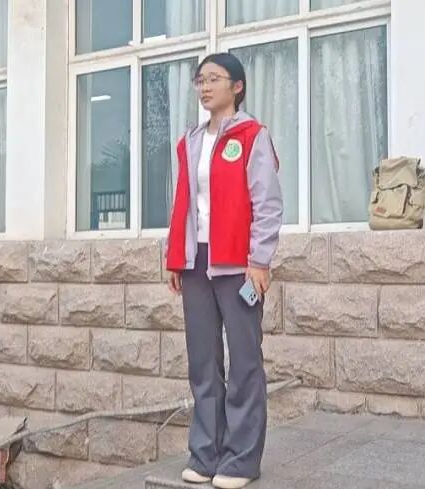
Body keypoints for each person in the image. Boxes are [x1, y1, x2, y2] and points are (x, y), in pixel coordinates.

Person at [166, 52, 283, 489]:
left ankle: (242, 460)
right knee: (203, 362)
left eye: (214, 79)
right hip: (196, 261)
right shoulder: (189, 141)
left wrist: (260, 260)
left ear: (237, 86)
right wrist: (174, 256)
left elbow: (267, 203)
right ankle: (205, 455)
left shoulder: (253, 136)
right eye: (200, 80)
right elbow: (182, 203)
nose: (204, 86)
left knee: (244, 362)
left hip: (238, 265)